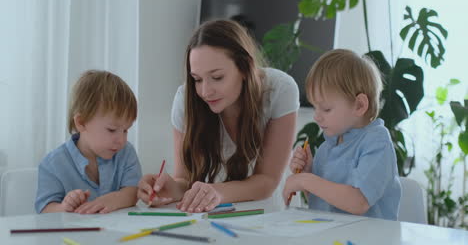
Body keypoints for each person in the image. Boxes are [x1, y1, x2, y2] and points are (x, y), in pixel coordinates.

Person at [137, 19, 300, 213]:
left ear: (245, 68)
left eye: (217, 77)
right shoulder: (186, 99)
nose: (205, 91)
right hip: (214, 215)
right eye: (197, 79)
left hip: (268, 212)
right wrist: (170, 188)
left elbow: (266, 181)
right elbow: (184, 179)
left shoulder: (280, 89)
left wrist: (217, 192)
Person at [283, 49, 401, 220]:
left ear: (359, 105)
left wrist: (306, 180)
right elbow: (324, 203)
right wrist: (308, 173)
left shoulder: (377, 141)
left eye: (326, 108)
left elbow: (358, 202)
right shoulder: (327, 146)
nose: (316, 116)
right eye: (315, 107)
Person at [35, 70, 142, 214]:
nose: (122, 140)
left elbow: (133, 192)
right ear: (81, 122)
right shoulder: (53, 164)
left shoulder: (126, 152)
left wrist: (113, 200)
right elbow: (44, 209)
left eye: (125, 130)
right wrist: (64, 207)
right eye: (111, 130)